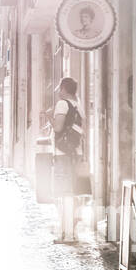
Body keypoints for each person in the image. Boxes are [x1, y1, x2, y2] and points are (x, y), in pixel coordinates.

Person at [49, 76, 84, 240]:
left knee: (62, 191)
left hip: (63, 153)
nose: (58, 91)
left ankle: (66, 231)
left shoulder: (63, 104)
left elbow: (58, 127)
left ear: (63, 89)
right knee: (72, 189)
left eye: (59, 88)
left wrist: (49, 118)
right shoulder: (79, 105)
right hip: (75, 153)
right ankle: (70, 227)